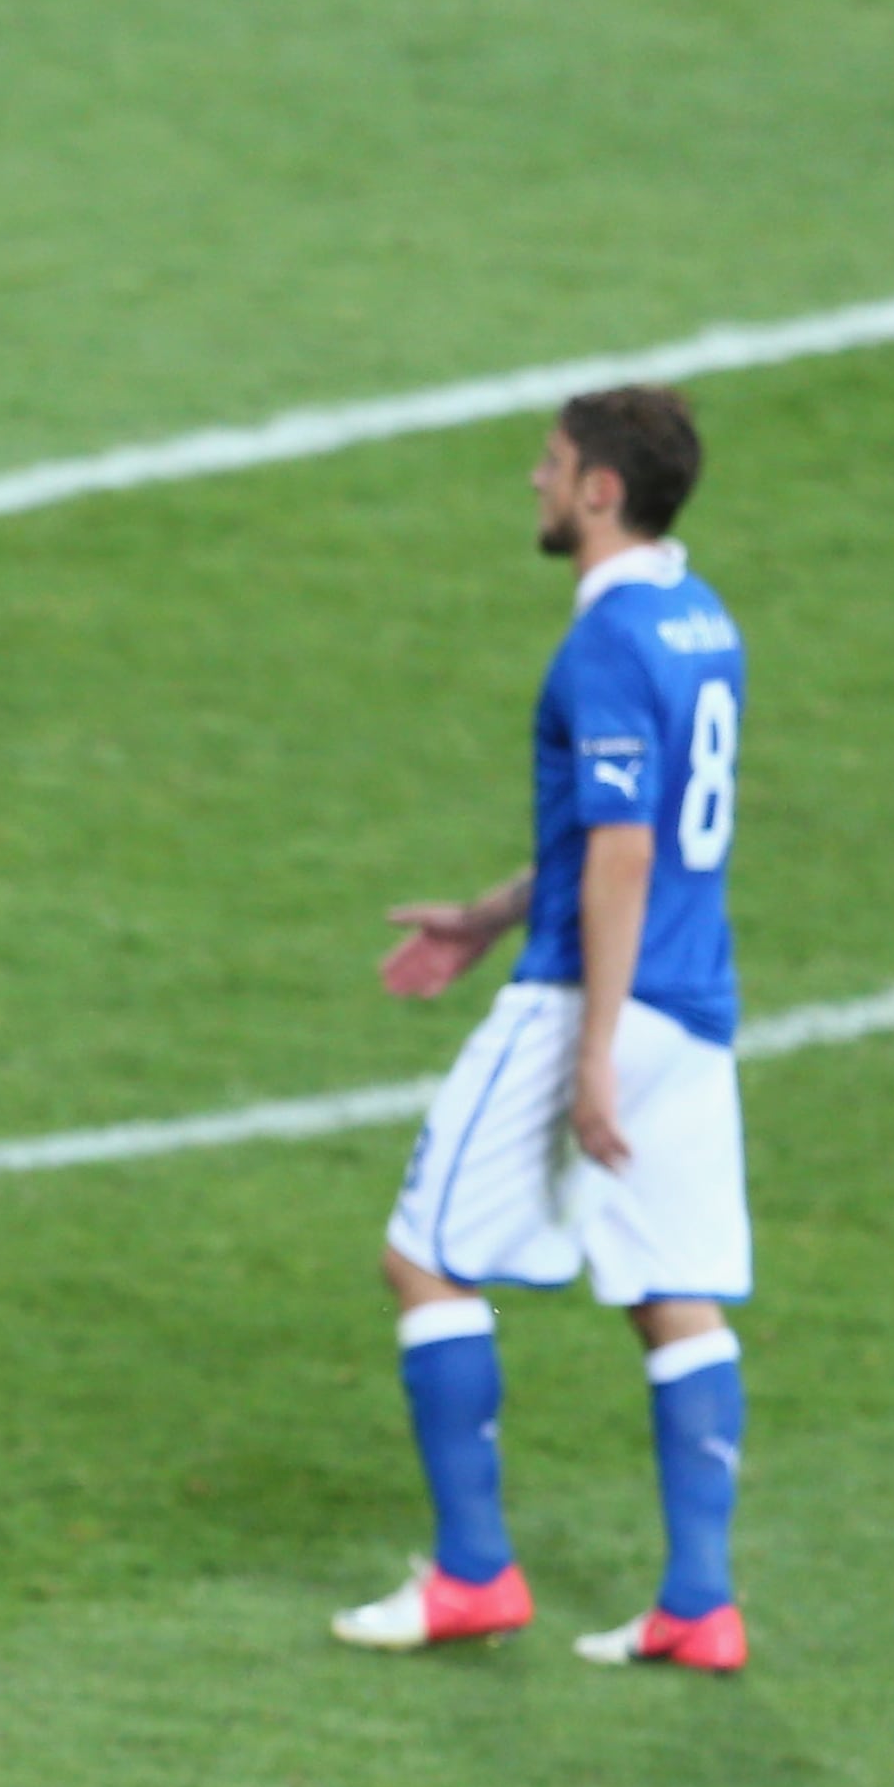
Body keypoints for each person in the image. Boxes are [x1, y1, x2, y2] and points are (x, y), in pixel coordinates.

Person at [343, 383, 753, 1672]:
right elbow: (617, 839)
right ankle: (699, 1603)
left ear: (598, 491)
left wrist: (586, 1054)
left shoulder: (605, 648)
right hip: (695, 1010)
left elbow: (624, 852)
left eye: (549, 463)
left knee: (422, 1261)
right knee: (670, 1293)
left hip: (599, 1001)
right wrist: (483, 914)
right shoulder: (701, 622)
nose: (531, 481)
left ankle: (472, 1574)